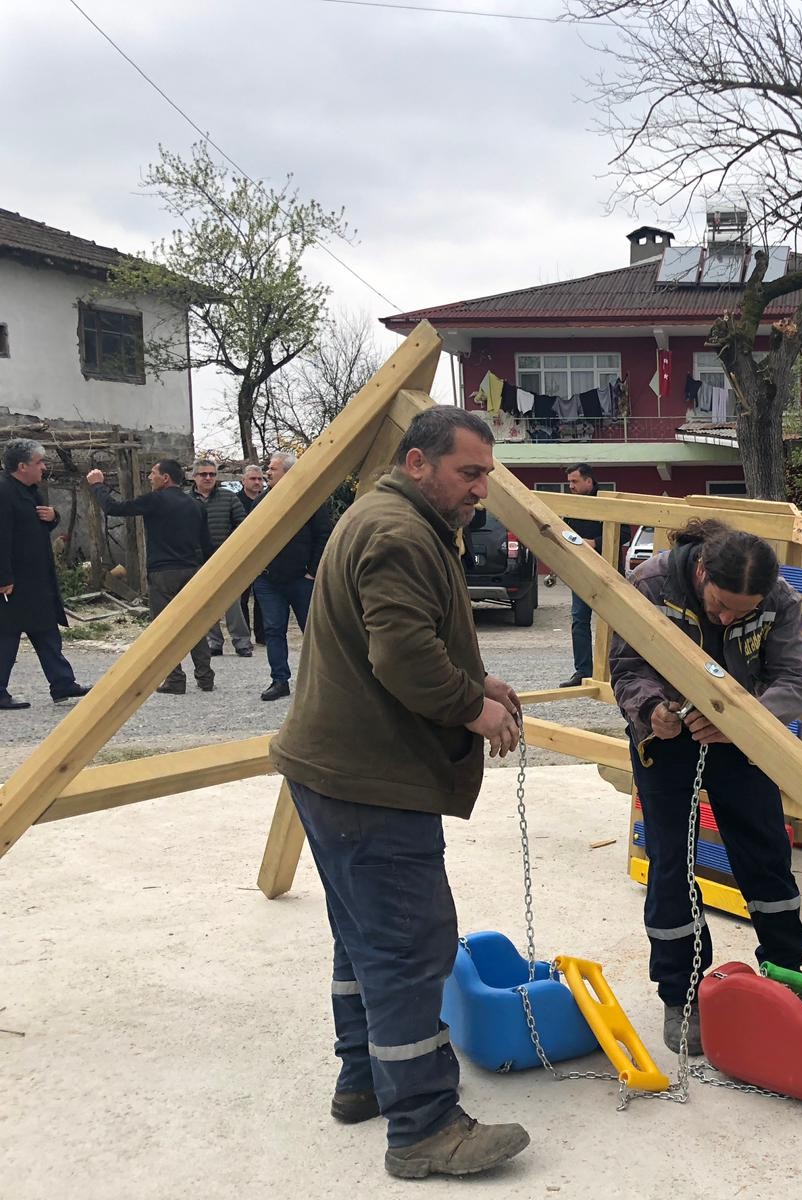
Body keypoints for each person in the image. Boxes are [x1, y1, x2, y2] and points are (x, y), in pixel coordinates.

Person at [269, 406, 529, 1180]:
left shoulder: (391, 517)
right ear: (418, 463)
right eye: (470, 472)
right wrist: (471, 707)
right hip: (371, 779)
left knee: (363, 939)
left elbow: (407, 634)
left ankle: (364, 1082)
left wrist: (474, 675)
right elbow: (403, 656)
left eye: (486, 474)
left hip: (335, 773)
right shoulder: (399, 532)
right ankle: (423, 1127)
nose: (481, 489)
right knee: (413, 949)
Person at [609, 517, 802, 1054]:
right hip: (665, 737)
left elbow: (794, 681)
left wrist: (741, 722)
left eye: (740, 614)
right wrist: (653, 710)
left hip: (740, 739)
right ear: (701, 571)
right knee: (672, 866)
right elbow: (627, 667)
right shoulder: (650, 586)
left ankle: (787, 977)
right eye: (720, 606)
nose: (726, 619)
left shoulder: (779, 600)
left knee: (766, 854)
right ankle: (682, 995)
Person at [87, 458, 211, 695]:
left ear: (165, 478)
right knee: (194, 624)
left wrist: (98, 486)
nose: (149, 478)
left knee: (165, 629)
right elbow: (206, 544)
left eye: (153, 473)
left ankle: (175, 680)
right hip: (192, 571)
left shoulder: (155, 500)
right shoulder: (196, 505)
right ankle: (205, 677)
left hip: (163, 573)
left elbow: (114, 508)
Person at [0, 440, 91, 708]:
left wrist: (54, 517)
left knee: (46, 631)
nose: (44, 467)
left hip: (37, 579)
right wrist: (3, 577)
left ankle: (62, 683)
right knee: (6, 636)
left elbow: (37, 526)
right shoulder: (4, 491)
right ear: (22, 466)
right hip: (14, 581)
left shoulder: (30, 490)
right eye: (39, 462)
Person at [255, 450, 333, 702]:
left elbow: (324, 535)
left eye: (272, 468)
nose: (267, 472)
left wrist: (312, 571)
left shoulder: (310, 500)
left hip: (302, 579)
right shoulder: (263, 502)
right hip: (269, 579)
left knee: (312, 630)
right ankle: (280, 681)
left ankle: (323, 681)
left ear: (288, 473)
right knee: (273, 630)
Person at [191, 458, 253, 657]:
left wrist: (231, 550)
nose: (208, 478)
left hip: (224, 559)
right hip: (197, 560)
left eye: (212, 474)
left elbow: (242, 525)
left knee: (232, 602)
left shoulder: (228, 498)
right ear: (194, 477)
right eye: (203, 474)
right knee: (206, 603)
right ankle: (214, 642)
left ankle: (242, 642)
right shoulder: (186, 500)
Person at [557, 463, 602, 688]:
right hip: (580, 573)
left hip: (606, 574)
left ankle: (615, 672)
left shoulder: (606, 501)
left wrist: (595, 543)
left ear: (588, 481)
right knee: (579, 621)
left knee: (615, 625)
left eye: (574, 482)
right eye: (569, 483)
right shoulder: (572, 505)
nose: (571, 487)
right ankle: (583, 672)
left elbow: (623, 534)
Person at [237, 464, 267, 645]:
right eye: (253, 479)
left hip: (263, 553)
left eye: (260, 479)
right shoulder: (235, 500)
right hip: (241, 555)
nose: (257, 482)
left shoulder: (269, 499)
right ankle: (244, 636)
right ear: (243, 481)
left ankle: (263, 636)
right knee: (241, 598)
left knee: (263, 597)